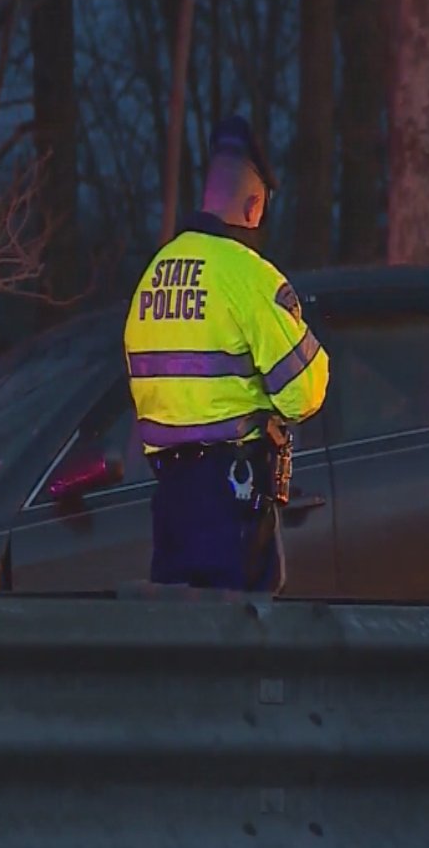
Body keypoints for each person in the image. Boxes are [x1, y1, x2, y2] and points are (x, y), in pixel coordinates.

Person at [123, 115, 330, 593]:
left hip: (169, 500)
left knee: (187, 646)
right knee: (243, 644)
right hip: (231, 495)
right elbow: (305, 392)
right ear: (254, 205)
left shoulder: (154, 274)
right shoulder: (248, 276)